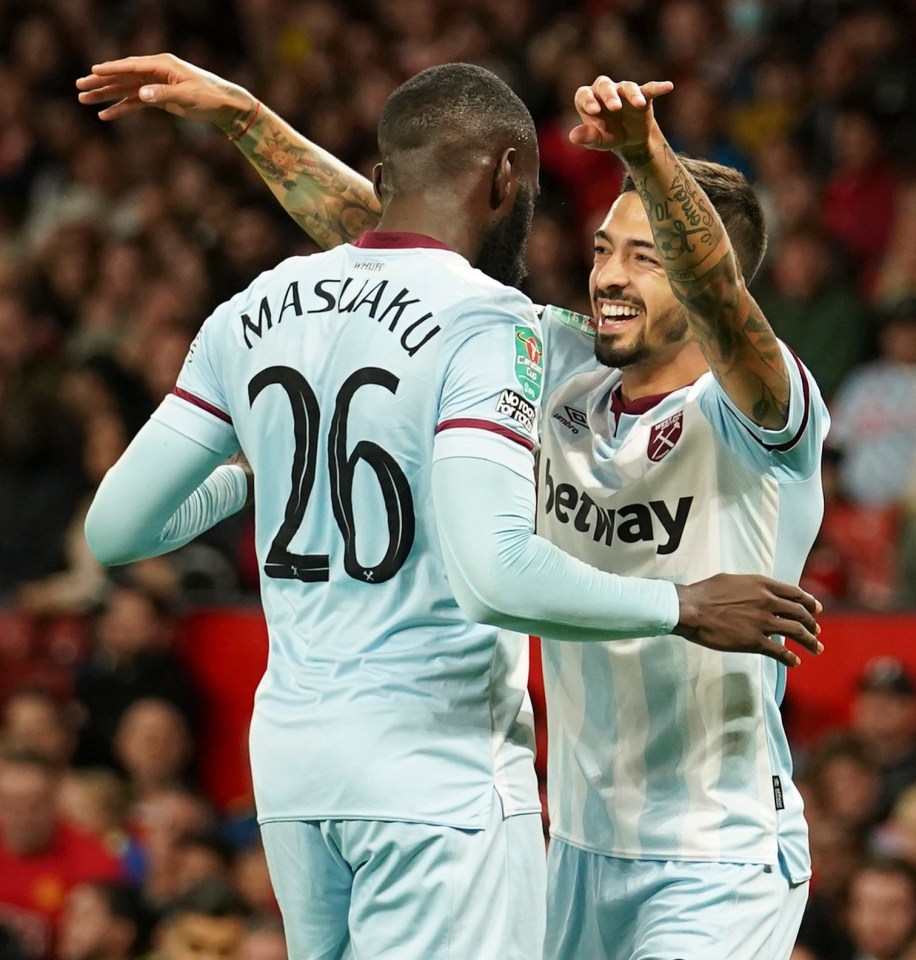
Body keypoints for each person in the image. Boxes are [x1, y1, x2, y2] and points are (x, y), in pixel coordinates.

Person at [79, 59, 823, 959]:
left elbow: (722, 306)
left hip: (719, 853)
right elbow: (406, 258)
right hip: (579, 843)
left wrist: (650, 157)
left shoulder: (762, 415)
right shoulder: (554, 366)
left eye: (647, 254)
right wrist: (248, 121)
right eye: (601, 249)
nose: (610, 275)